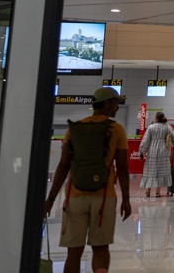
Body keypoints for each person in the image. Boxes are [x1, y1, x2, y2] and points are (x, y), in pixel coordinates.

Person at [45, 88, 133, 273]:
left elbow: (63, 166)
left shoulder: (75, 129)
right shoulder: (116, 129)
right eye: (115, 103)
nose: (117, 107)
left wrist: (51, 199)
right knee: (100, 248)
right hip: (104, 198)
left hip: (75, 196)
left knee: (74, 252)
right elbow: (123, 167)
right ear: (106, 103)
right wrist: (126, 199)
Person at [138, 111, 172, 198]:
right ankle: (158, 192)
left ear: (156, 118)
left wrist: (141, 152)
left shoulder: (151, 127)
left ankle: (148, 191)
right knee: (161, 170)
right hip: (163, 150)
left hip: (152, 150)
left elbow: (145, 140)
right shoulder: (167, 127)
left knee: (151, 170)